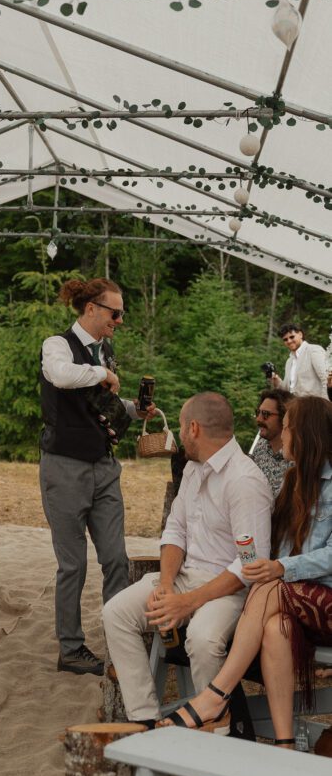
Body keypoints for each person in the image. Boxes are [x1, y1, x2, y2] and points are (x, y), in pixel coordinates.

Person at [159, 396, 332, 744]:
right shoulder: (293, 482)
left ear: (306, 434)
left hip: (321, 596)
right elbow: (272, 550)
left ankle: (215, 695)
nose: (282, 435)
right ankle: (284, 744)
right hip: (293, 600)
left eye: (287, 428)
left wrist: (280, 567)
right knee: (275, 628)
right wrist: (258, 559)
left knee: (268, 587)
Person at [102, 392, 272, 726]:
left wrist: (188, 602)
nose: (179, 435)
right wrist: (167, 586)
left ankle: (214, 724)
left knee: (203, 638)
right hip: (184, 578)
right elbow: (175, 530)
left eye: (180, 427)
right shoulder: (194, 469)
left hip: (230, 590)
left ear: (194, 428)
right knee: (117, 612)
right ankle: (145, 720)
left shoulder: (244, 481)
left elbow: (249, 565)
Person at [40, 276, 157, 677]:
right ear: (91, 309)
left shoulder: (104, 350)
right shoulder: (57, 345)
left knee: (116, 558)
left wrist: (132, 409)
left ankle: (119, 645)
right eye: (115, 313)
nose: (120, 321)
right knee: (73, 565)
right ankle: (71, 649)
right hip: (64, 465)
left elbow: (100, 401)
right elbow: (61, 375)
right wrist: (101, 373)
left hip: (104, 466)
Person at [250, 387, 294, 497]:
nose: (258, 419)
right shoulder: (260, 447)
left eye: (265, 414)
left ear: (284, 416)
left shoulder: (297, 456)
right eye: (258, 412)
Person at [272, 323, 328, 398]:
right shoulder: (289, 361)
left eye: (292, 337)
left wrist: (325, 403)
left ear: (300, 334)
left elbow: (327, 380)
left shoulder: (314, 350)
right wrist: (277, 382)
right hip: (293, 403)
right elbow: (288, 390)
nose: (289, 341)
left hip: (315, 403)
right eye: (285, 339)